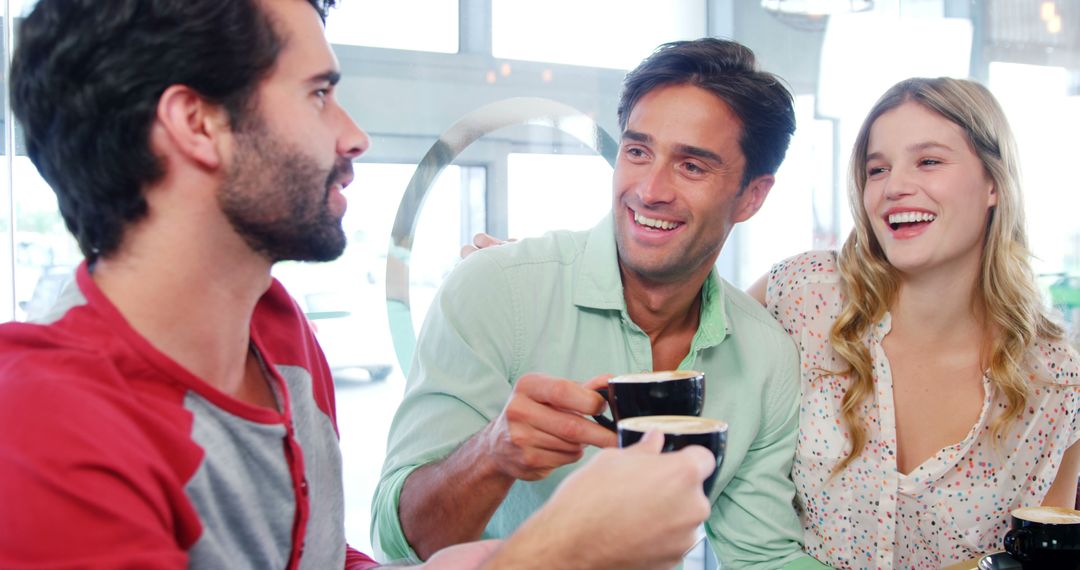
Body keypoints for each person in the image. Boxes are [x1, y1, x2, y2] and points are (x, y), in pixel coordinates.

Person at [0, 1, 718, 568]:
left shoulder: (277, 334)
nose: (354, 137)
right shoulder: (45, 432)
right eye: (318, 95)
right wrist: (552, 557)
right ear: (196, 124)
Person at [373, 38, 828, 570]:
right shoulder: (494, 290)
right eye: (637, 152)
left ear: (752, 196)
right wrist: (492, 454)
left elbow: (762, 557)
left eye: (692, 167)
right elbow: (399, 540)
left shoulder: (767, 355)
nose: (650, 190)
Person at [747, 77, 1080, 568]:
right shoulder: (802, 295)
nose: (894, 186)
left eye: (928, 161)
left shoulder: (1056, 380)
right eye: (876, 169)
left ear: (994, 182)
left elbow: (1043, 559)